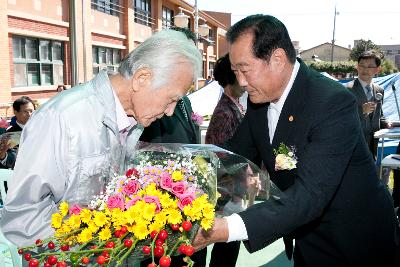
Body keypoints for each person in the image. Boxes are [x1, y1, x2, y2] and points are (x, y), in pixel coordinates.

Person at [193, 14, 398, 267]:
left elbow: (311, 194)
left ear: (277, 59)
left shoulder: (331, 102)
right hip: (306, 235)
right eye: (236, 72)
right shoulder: (259, 103)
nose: (241, 82)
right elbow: (231, 157)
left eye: (245, 70)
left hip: (356, 239)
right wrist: (179, 182)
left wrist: (224, 229)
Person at [0, 29, 202, 252]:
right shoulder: (61, 118)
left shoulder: (132, 120)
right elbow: (23, 217)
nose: (171, 112)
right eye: (171, 99)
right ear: (141, 78)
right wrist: (90, 244)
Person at [347, 50, 385, 158]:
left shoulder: (379, 90)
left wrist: (387, 123)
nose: (365, 69)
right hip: (352, 145)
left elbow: (379, 115)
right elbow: (339, 117)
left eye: (370, 66)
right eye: (362, 65)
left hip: (372, 146)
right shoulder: (347, 89)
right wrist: (361, 111)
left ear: (378, 69)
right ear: (357, 67)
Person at [205, 53, 245, 146]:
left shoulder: (230, 106)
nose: (244, 83)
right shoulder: (223, 113)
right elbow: (220, 152)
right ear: (230, 78)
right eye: (239, 77)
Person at [0, 96, 36, 169]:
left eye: (31, 111)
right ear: (16, 112)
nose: (29, 115)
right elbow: (10, 161)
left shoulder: (42, 130)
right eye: (25, 111)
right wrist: (3, 155)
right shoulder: (10, 134)